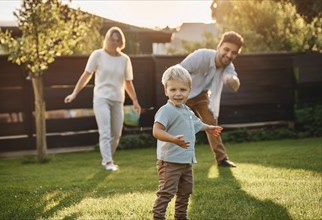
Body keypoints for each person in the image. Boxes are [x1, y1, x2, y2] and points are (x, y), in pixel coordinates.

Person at [64, 26, 141, 171]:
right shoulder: (97, 55)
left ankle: (108, 158)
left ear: (121, 42)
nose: (114, 43)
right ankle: (108, 162)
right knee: (105, 131)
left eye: (117, 40)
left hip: (118, 99)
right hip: (101, 98)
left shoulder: (125, 59)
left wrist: (135, 101)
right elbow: (86, 75)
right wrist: (74, 93)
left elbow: (128, 82)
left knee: (116, 133)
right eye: (111, 40)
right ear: (106, 40)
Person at [152, 65, 223, 220]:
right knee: (166, 192)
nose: (178, 94)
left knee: (185, 191)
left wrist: (209, 128)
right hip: (169, 161)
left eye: (182, 90)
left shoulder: (187, 111)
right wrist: (173, 139)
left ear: (189, 90)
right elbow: (156, 131)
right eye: (173, 90)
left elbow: (197, 124)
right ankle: (158, 217)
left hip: (185, 162)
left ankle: (181, 216)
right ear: (166, 91)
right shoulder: (166, 111)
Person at [180, 31, 244, 168]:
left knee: (212, 125)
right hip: (184, 94)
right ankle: (174, 159)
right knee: (177, 126)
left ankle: (222, 159)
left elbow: (236, 83)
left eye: (233, 53)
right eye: (226, 50)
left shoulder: (228, 66)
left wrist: (232, 80)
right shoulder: (201, 56)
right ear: (219, 46)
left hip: (202, 96)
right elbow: (178, 71)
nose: (229, 55)